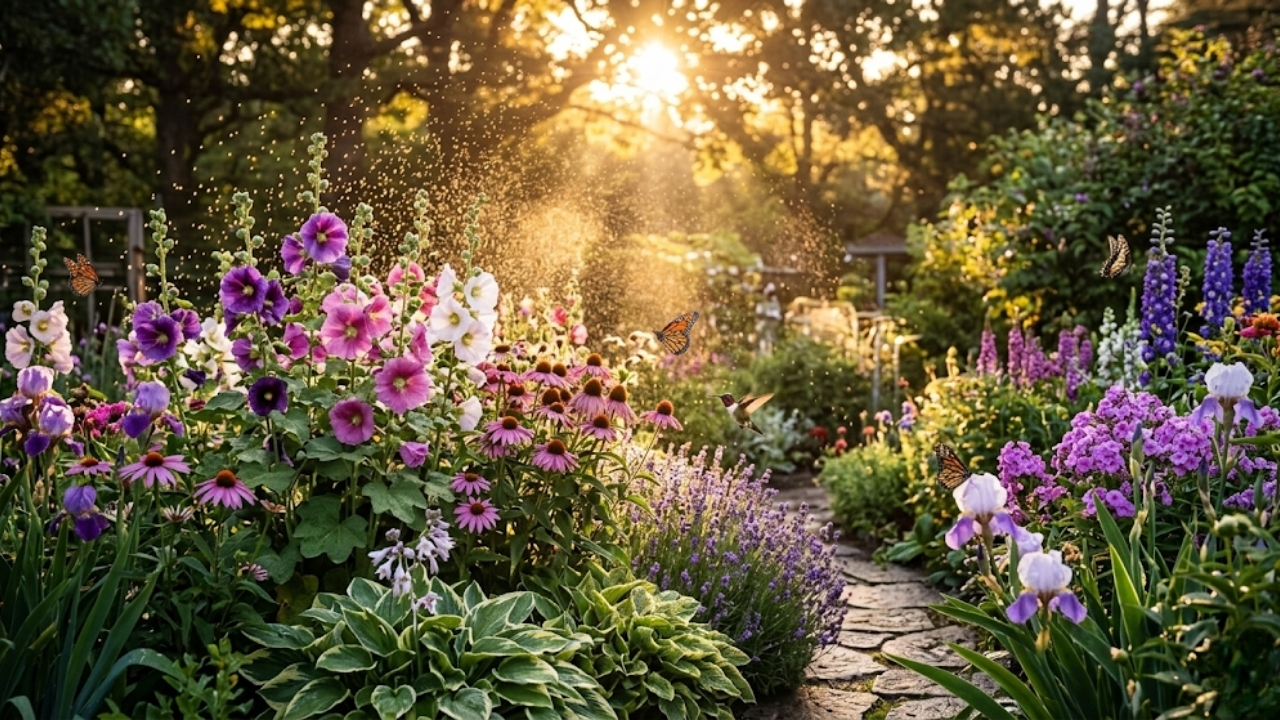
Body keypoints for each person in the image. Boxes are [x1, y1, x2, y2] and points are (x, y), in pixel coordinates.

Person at [755, 283, 782, 354]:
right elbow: (759, 312)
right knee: (762, 341)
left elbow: (777, 313)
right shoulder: (762, 302)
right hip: (763, 325)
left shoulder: (775, 302)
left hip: (771, 325)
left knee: (770, 340)